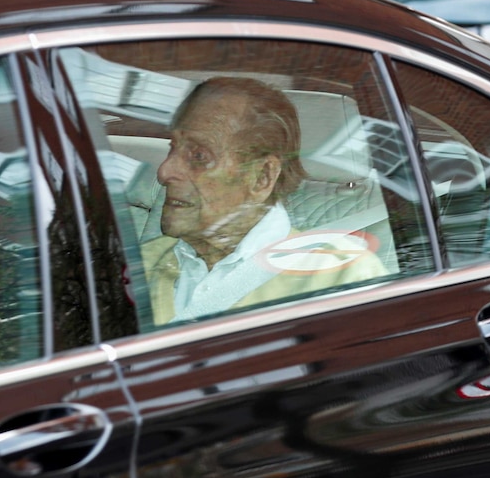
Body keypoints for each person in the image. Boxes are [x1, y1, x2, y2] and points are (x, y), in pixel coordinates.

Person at [141, 77, 386, 325]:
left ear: (262, 177)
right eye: (173, 148)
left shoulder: (344, 280)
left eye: (199, 156)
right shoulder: (140, 264)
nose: (164, 171)